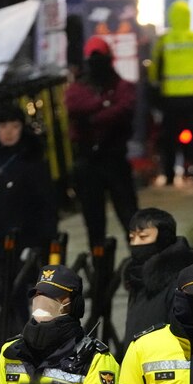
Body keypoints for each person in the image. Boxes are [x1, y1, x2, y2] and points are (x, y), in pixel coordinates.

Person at [65, 36, 139, 249]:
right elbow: (75, 106)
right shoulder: (79, 88)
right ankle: (102, 266)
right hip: (89, 162)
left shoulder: (121, 86)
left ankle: (140, 262)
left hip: (113, 158)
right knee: (95, 223)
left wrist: (93, 115)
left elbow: (124, 108)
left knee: (130, 219)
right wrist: (105, 104)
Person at [0, 104, 57, 252]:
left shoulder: (32, 160)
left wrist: (44, 240)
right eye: (3, 126)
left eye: (15, 126)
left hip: (24, 238)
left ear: (22, 128)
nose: (9, 132)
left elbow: (46, 203)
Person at [122, 208, 193, 340]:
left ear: (163, 238)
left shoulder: (182, 279)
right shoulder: (136, 277)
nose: (135, 243)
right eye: (131, 238)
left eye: (143, 237)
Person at [149, 0, 193, 185]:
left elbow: (154, 72)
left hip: (170, 99)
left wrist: (156, 92)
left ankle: (169, 175)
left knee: (169, 138)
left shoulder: (164, 41)